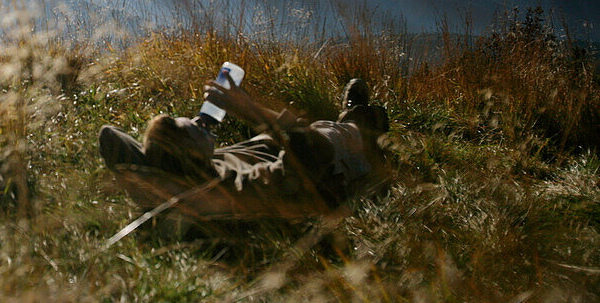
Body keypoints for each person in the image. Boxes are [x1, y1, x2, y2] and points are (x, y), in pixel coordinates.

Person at [98, 78, 390, 223]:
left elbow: (109, 136)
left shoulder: (189, 170)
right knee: (341, 129)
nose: (202, 120)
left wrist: (150, 173)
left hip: (276, 144)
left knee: (317, 126)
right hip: (334, 162)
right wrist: (248, 109)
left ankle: (352, 117)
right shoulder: (233, 191)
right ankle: (358, 117)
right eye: (197, 128)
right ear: (191, 156)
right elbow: (311, 152)